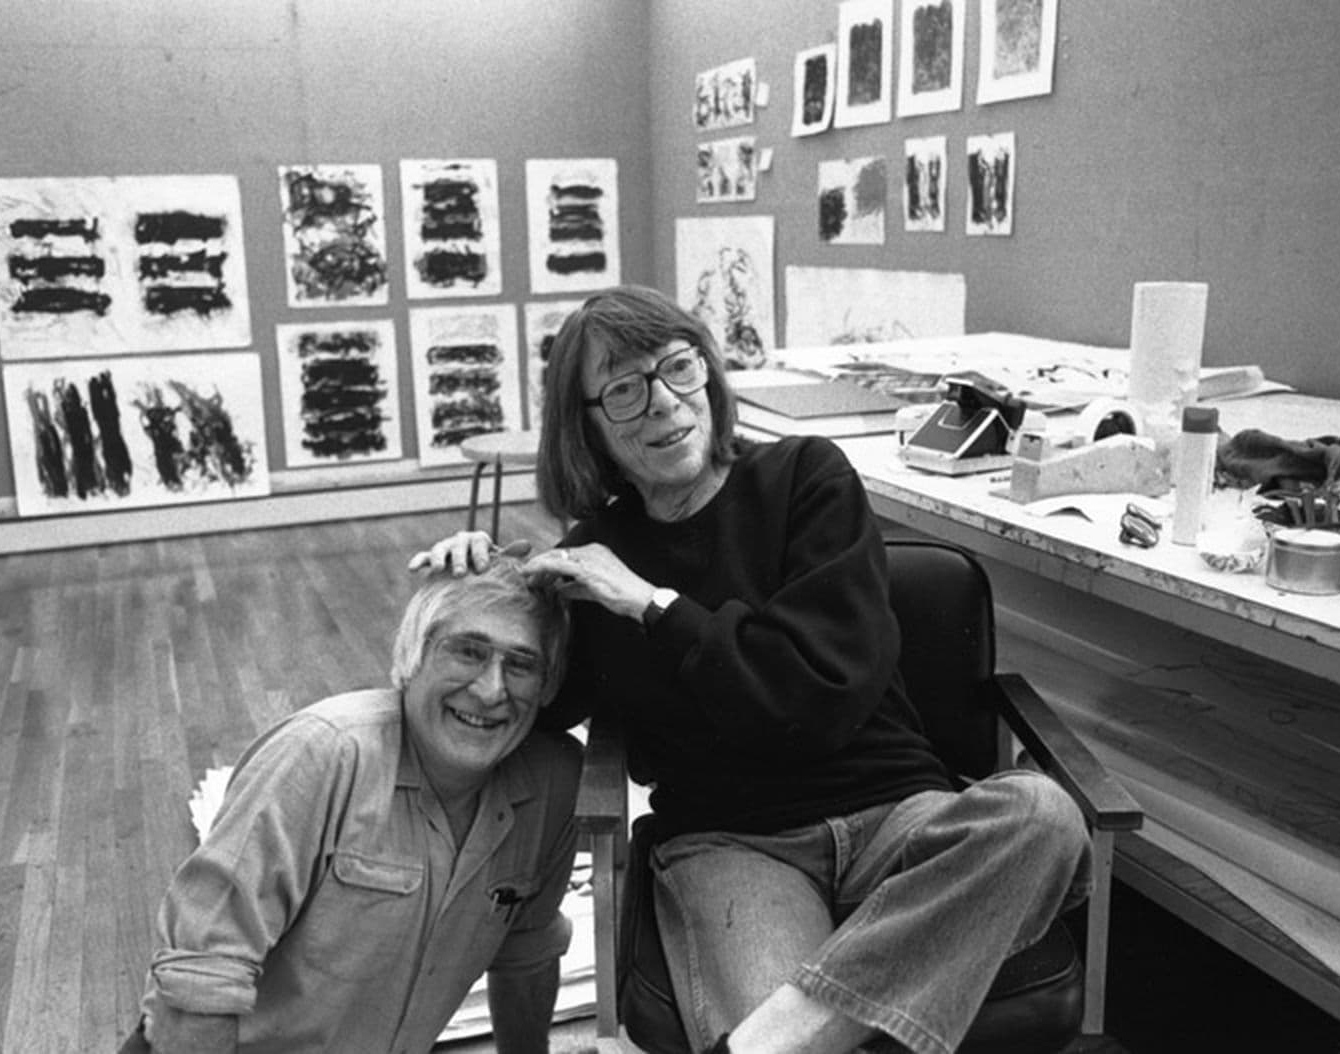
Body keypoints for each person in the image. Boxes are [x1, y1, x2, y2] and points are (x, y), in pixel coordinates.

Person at [411, 286, 1092, 1054]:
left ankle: (776, 1039)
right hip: (731, 845)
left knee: (1042, 815)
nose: (664, 404)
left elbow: (816, 699)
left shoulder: (806, 478)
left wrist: (655, 607)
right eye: (626, 392)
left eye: (677, 368)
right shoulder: (597, 553)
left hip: (895, 819)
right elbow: (533, 702)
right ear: (590, 426)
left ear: (707, 371)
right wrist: (471, 594)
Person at [123, 557, 581, 1054]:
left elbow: (527, 953)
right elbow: (202, 977)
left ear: (547, 685)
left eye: (520, 664)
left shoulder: (554, 783)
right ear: (412, 657)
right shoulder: (321, 754)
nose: (492, 690)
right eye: (468, 652)